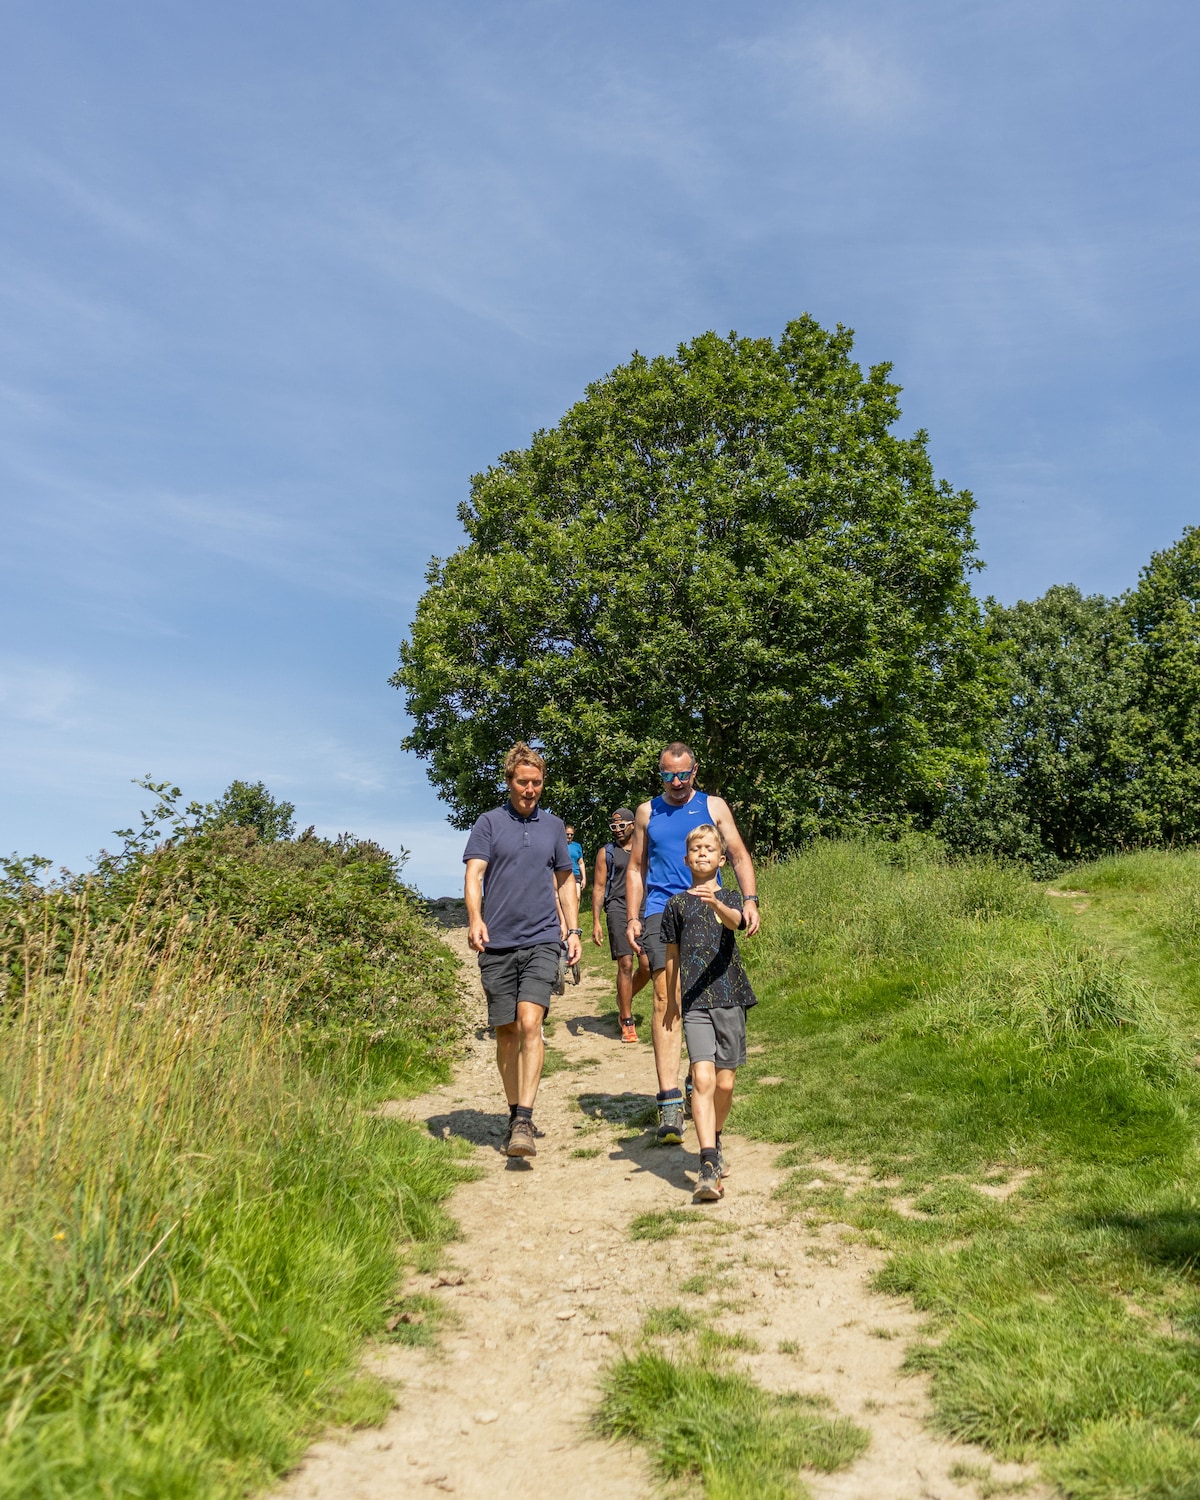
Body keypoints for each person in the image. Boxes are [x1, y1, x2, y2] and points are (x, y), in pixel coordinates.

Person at [626, 742, 760, 1145]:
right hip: (659, 908)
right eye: (669, 775)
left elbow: (737, 854)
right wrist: (633, 916)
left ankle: (695, 1076)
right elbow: (635, 868)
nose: (677, 782)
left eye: (683, 774)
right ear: (660, 773)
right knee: (665, 996)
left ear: (695, 771)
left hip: (706, 905)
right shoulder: (647, 812)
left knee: (701, 995)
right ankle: (669, 1101)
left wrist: (750, 900)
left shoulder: (714, 806)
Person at [463, 743, 582, 1159]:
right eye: (522, 782)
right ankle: (514, 1112)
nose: (530, 789)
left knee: (531, 1023)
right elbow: (474, 873)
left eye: (536, 782)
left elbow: (566, 880)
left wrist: (573, 930)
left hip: (542, 938)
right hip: (497, 942)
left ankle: (525, 1118)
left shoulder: (553, 827)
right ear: (509, 781)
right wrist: (476, 919)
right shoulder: (488, 823)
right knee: (507, 1032)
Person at [662, 824, 757, 1201]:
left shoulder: (731, 897)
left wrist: (717, 903)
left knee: (724, 1083)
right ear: (687, 860)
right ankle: (706, 1162)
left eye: (709, 849)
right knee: (702, 1079)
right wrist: (671, 1000)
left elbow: (737, 922)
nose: (702, 854)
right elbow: (671, 958)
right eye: (696, 849)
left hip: (730, 997)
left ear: (721, 859)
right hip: (695, 1002)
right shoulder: (675, 905)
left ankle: (715, 1138)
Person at [591, 807, 651, 1043]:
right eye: (613, 827)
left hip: (644, 908)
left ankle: (623, 998)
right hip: (617, 908)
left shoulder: (644, 849)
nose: (617, 831)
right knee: (626, 963)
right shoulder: (606, 853)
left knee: (647, 965)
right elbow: (598, 887)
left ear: (633, 825)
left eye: (621, 826)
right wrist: (596, 921)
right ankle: (626, 1019)